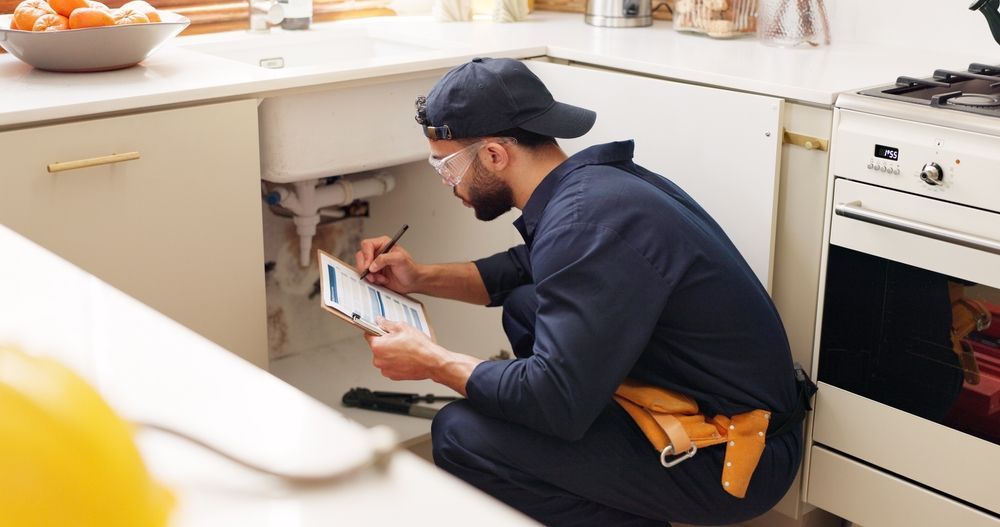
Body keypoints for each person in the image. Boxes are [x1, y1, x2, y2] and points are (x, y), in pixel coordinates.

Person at [356, 57, 803, 527]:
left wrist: (433, 361)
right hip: (709, 407)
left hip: (734, 455)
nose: (448, 183)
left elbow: (553, 401)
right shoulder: (590, 189)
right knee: (527, 305)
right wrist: (418, 276)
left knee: (459, 433)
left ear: (493, 155)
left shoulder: (585, 223)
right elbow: (519, 272)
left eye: (446, 167)